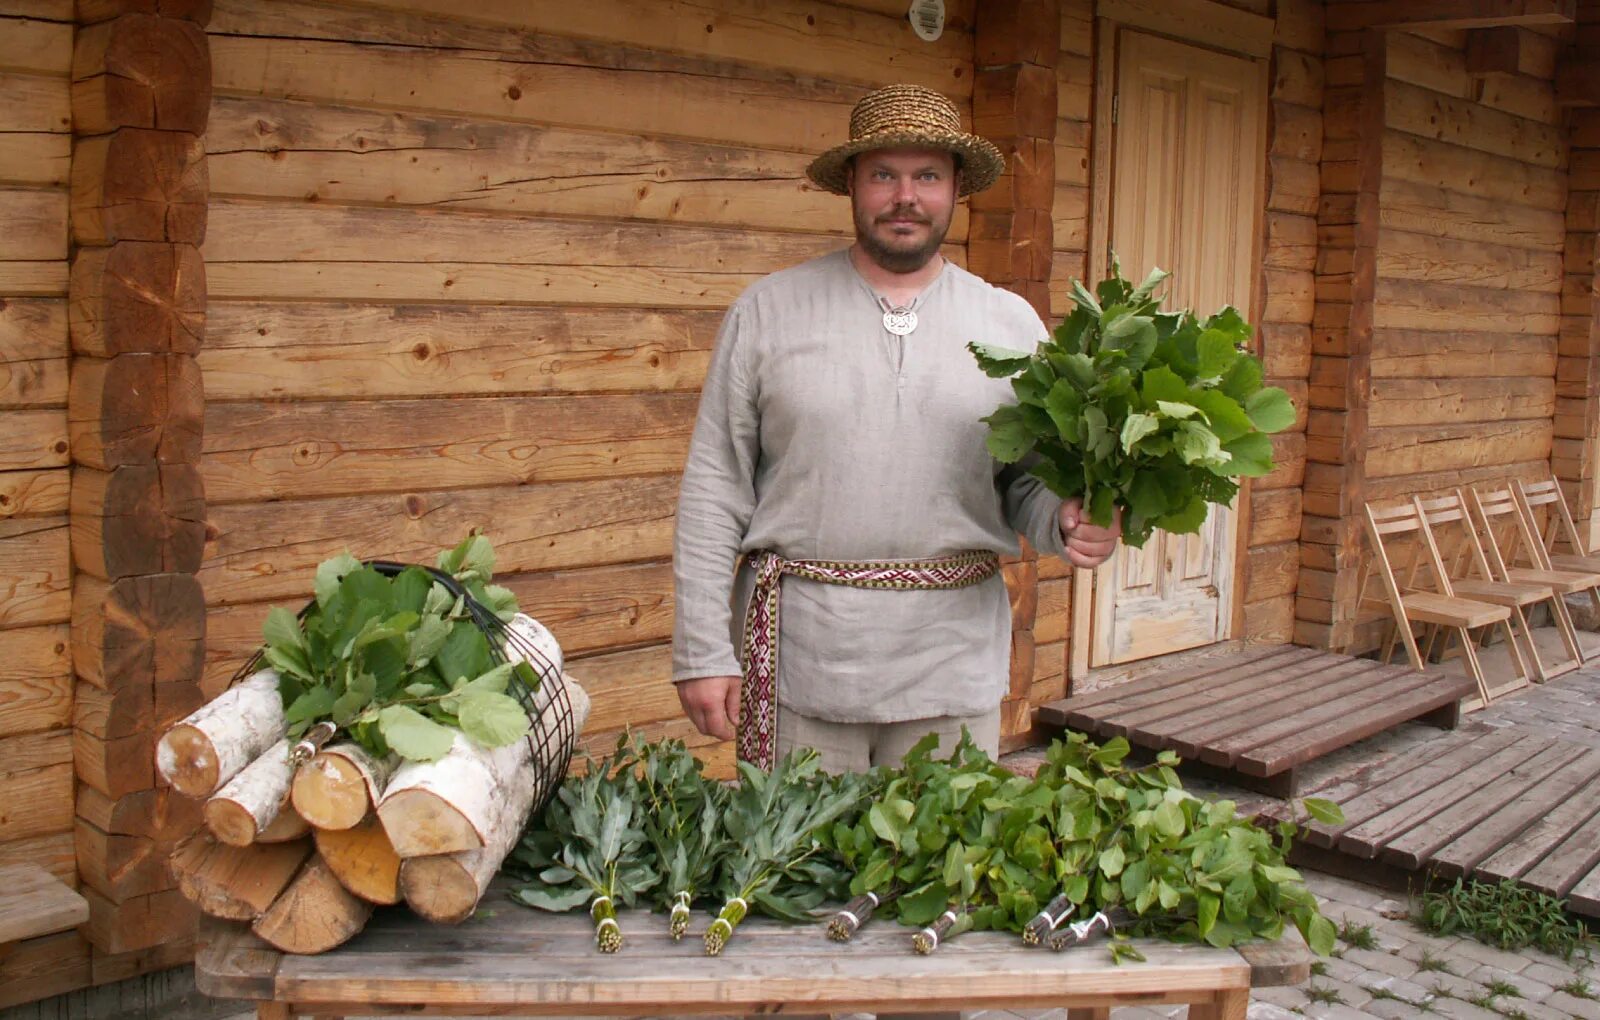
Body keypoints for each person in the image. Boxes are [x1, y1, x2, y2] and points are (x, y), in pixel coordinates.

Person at [671, 83, 1122, 776]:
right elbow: (714, 488)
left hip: (951, 668)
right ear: (852, 184)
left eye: (927, 176)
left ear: (956, 189)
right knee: (799, 877)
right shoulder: (768, 313)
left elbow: (1028, 480)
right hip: (804, 667)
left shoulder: (1012, 327)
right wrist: (703, 649)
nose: (904, 195)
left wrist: (1064, 521)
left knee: (936, 878)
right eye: (883, 174)